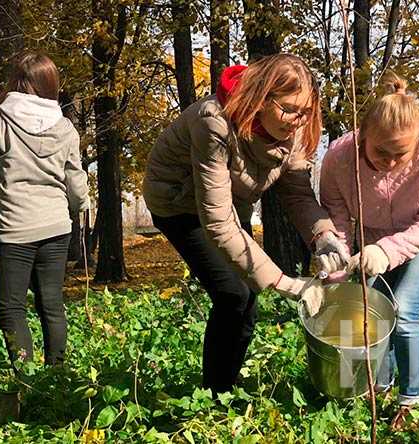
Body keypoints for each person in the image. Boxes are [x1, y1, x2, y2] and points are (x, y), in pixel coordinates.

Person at [142, 54, 347, 394]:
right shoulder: (215, 122)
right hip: (179, 205)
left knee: (248, 296)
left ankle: (226, 385)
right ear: (261, 98)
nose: (298, 121)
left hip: (229, 207)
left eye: (306, 111)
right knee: (234, 293)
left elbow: (296, 194)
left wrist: (322, 234)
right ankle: (214, 395)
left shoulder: (292, 131)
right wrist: (286, 283)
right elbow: (217, 222)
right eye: (288, 109)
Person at [318, 72, 419, 430]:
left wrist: (386, 250)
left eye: (401, 154)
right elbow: (338, 221)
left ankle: (412, 400)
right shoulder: (339, 157)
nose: (390, 162)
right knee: (370, 312)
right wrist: (337, 274)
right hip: (372, 241)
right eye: (381, 151)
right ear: (363, 134)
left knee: (404, 309)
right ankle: (377, 386)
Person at [0, 52, 90, 367]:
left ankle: (25, 375)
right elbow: (76, 183)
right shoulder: (65, 127)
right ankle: (57, 375)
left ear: (17, 82)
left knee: (10, 308)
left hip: (14, 228)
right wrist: (79, 208)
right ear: (51, 84)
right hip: (56, 226)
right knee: (51, 304)